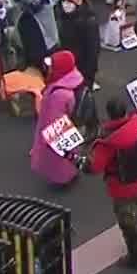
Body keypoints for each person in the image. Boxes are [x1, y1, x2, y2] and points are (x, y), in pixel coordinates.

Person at [86, 98, 137, 269]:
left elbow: (94, 167)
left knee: (129, 225)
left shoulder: (108, 140)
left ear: (109, 115)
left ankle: (136, 258)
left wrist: (76, 159)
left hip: (122, 189)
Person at [30, 49, 86, 189]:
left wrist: (44, 141)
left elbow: (54, 125)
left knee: (59, 159)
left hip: (59, 130)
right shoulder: (74, 81)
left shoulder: (58, 94)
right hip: (72, 126)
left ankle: (63, 178)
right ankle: (71, 172)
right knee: (71, 152)